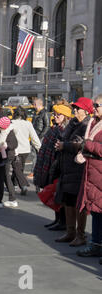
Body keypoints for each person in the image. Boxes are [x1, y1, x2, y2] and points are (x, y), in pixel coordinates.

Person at [54, 97, 93, 246]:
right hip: (67, 168)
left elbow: (82, 144)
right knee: (68, 201)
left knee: (78, 203)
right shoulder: (74, 123)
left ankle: (80, 235)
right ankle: (70, 232)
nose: (75, 110)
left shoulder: (87, 124)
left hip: (78, 169)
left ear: (85, 111)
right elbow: (66, 138)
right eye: (74, 108)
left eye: (78, 108)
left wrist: (65, 145)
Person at [34, 104, 72, 231]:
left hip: (58, 165)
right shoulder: (55, 127)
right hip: (51, 164)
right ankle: (57, 220)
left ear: (65, 116)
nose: (55, 116)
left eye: (58, 115)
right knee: (54, 194)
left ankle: (63, 222)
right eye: (54, 114)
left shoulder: (65, 129)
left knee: (59, 194)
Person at [75, 94, 102, 262]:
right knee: (97, 213)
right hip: (93, 174)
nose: (95, 108)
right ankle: (96, 245)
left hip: (99, 173)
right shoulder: (94, 123)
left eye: (97, 105)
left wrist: (87, 145)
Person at [10, 107, 41, 195]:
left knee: (17, 169)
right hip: (26, 150)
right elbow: (34, 137)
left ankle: (22, 185)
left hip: (16, 149)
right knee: (19, 168)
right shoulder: (28, 123)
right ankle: (14, 184)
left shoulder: (12, 123)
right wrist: (39, 148)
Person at [29, 98, 50, 177]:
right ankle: (35, 171)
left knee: (38, 154)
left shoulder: (44, 113)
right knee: (35, 154)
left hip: (40, 137)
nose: (33, 106)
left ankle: (34, 171)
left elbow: (47, 126)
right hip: (35, 136)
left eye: (34, 104)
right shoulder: (36, 113)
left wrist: (40, 136)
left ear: (37, 104)